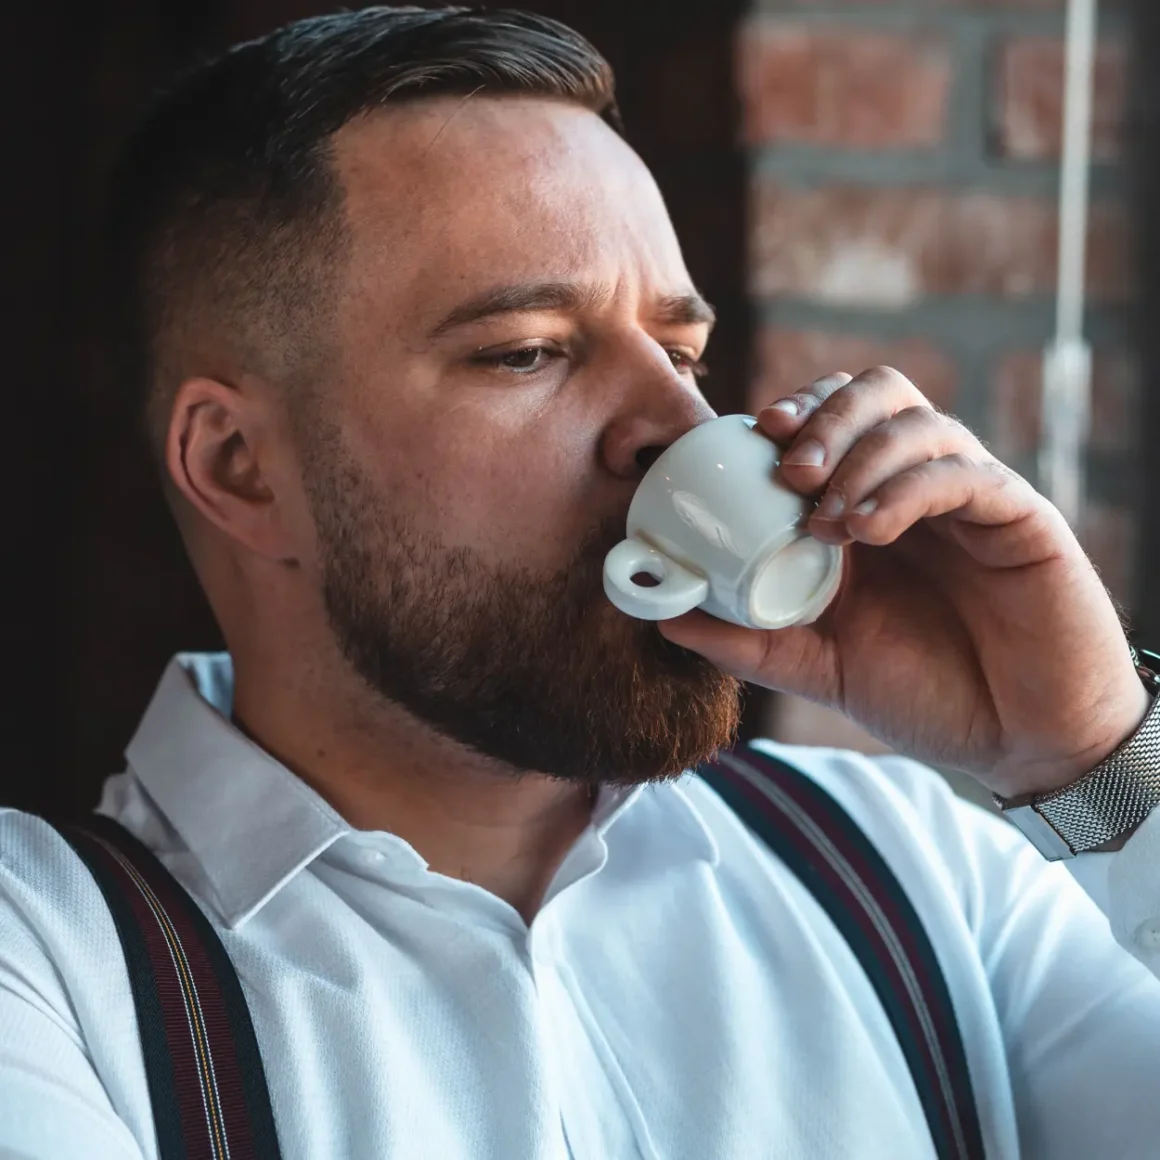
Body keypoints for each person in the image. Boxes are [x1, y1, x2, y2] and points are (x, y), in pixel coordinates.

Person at [2, 6, 1159, 1158]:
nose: (681, 421)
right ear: (240, 467)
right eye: (527, 350)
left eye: (683, 352)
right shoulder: (48, 968)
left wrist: (1100, 754)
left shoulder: (916, 874)